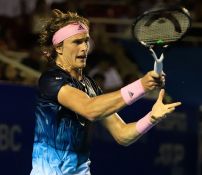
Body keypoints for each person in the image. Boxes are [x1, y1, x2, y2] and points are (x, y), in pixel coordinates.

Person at [30, 9, 181, 175]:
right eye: (77, 42)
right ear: (59, 48)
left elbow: (122, 134)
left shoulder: (91, 87)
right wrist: (141, 86)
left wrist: (151, 118)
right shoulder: (50, 80)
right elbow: (90, 109)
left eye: (86, 41)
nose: (84, 48)